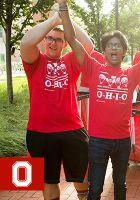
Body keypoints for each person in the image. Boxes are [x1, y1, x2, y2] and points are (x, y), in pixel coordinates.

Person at [57, 0, 140, 199]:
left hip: (122, 142)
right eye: (109, 45)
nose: (113, 48)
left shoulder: (131, 74)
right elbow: (72, 39)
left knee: (120, 186)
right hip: (98, 141)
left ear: (124, 51)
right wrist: (63, 7)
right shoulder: (93, 68)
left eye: (117, 45)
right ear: (105, 50)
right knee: (96, 189)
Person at [20, 5, 94, 200]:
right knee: (49, 181)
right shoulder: (35, 61)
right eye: (50, 38)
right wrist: (53, 20)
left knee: (81, 178)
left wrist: (65, 18)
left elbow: (88, 46)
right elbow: (26, 43)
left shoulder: (70, 61)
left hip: (72, 130)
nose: (53, 43)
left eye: (59, 39)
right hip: (40, 132)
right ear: (44, 40)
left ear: (65, 44)